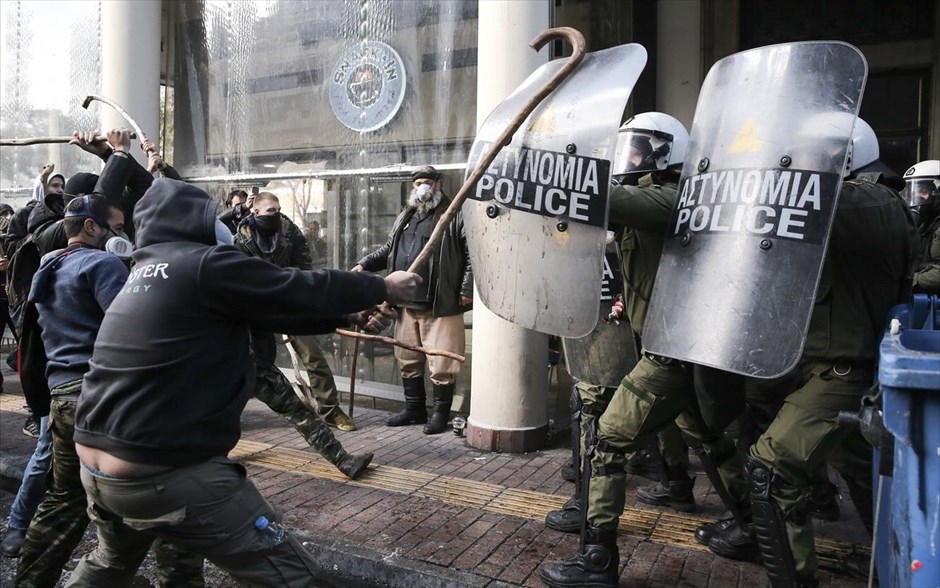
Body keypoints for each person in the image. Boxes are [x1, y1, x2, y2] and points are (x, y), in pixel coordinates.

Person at [65, 179, 418, 585]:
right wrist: (381, 285)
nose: (221, 227)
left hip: (97, 468)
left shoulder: (143, 271)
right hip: (162, 472)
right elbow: (292, 286)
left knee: (109, 566)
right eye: (210, 218)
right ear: (188, 222)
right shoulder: (201, 264)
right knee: (293, 577)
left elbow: (263, 312)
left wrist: (349, 315)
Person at [540, 113, 748, 587]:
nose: (626, 157)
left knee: (608, 440)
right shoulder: (655, 202)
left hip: (671, 353)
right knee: (710, 439)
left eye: (636, 148)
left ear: (664, 153)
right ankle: (751, 525)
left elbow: (606, 199)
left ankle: (596, 562)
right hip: (681, 349)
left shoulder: (675, 196)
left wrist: (552, 173)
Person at [736, 120, 917, 587]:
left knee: (771, 469)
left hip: (845, 373)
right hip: (825, 367)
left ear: (846, 154)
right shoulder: (844, 204)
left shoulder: (876, 202)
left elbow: (822, 206)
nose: (803, 169)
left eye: (813, 157)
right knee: (863, 471)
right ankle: (882, 564)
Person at [13, 194, 203, 587]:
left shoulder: (48, 266)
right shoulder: (102, 264)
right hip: (105, 397)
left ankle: (32, 580)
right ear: (90, 227)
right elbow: (131, 328)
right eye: (117, 230)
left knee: (64, 500)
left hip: (62, 397)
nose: (122, 238)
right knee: (158, 495)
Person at [354, 165, 473, 434]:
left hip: (439, 303)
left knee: (443, 362)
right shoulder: (406, 215)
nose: (423, 186)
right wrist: (364, 264)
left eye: (428, 181)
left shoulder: (453, 213)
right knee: (407, 358)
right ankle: (414, 408)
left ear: (438, 184)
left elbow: (471, 252)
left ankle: (441, 414)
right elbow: (389, 249)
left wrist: (466, 288)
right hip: (406, 302)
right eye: (418, 182)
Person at [235, 191, 359, 433]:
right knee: (245, 362)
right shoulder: (241, 239)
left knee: (313, 357)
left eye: (278, 209)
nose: (276, 214)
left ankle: (330, 410)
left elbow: (305, 269)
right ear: (256, 212)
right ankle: (230, 412)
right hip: (255, 307)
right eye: (270, 210)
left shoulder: (290, 233)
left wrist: (302, 298)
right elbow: (237, 276)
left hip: (288, 303)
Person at [904, 159, 940, 294]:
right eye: (913, 193)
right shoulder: (924, 224)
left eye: (922, 192)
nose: (916, 198)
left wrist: (911, 280)